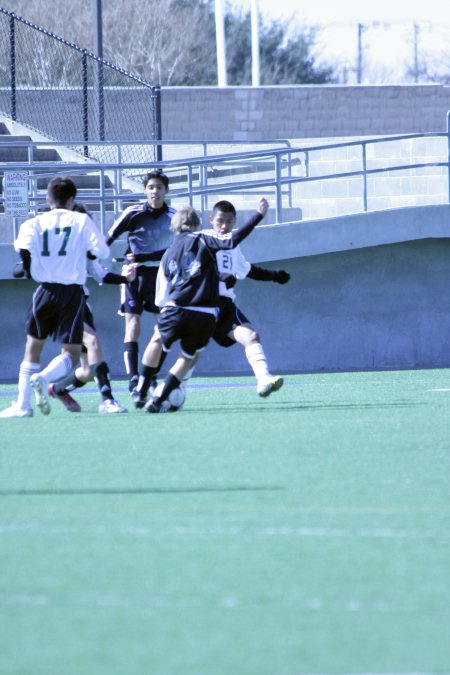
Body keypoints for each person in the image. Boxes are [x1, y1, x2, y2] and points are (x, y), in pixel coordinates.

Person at [132, 197, 269, 413]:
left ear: (174, 228)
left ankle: (142, 387)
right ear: (199, 224)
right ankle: (158, 400)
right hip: (205, 312)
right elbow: (231, 243)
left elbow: (161, 295)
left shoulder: (167, 254)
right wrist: (258, 216)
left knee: (157, 341)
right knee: (188, 357)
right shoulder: (205, 238)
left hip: (175, 308)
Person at [0, 176, 109, 418]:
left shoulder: (33, 222)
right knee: (70, 353)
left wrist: (32, 267)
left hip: (45, 290)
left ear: (48, 198)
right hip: (72, 292)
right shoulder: (81, 220)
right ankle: (45, 378)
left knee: (32, 348)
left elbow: (22, 250)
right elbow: (102, 250)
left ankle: (22, 405)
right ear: (72, 199)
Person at [184, 199, 289, 397]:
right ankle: (176, 390)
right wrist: (258, 215)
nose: (224, 226)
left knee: (251, 336)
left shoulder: (233, 245)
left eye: (229, 222)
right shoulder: (202, 238)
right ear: (211, 219)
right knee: (192, 352)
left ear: (234, 222)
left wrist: (275, 276)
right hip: (202, 306)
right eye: (220, 221)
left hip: (224, 308)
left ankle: (263, 378)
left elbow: (247, 270)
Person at [106, 169, 176, 395]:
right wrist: (94, 262)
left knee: (161, 330)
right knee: (133, 325)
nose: (155, 192)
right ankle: (133, 378)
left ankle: (150, 375)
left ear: (166, 190)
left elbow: (177, 249)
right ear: (145, 190)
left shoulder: (174, 216)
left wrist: (145, 257)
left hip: (161, 278)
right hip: (133, 277)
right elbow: (108, 237)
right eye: (151, 187)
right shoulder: (133, 212)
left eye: (159, 187)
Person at [48, 256, 137, 414]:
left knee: (88, 372)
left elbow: (100, 274)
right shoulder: (55, 242)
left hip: (81, 305)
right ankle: (107, 400)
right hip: (63, 304)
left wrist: (125, 278)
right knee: (92, 341)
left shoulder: (83, 245)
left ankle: (57, 389)